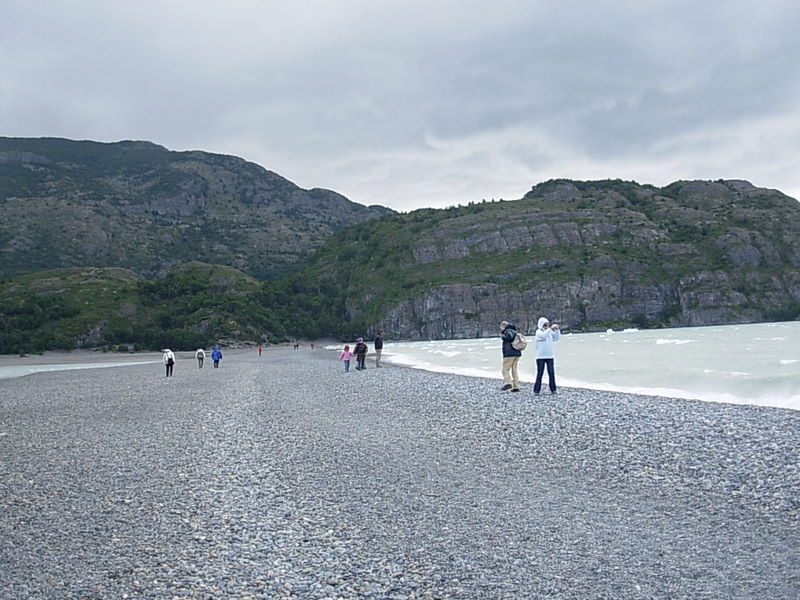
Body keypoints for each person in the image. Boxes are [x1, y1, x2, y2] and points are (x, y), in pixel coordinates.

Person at [533, 317, 561, 395]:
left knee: (551, 373)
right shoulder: (538, 332)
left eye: (547, 325)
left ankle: (553, 389)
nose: (546, 326)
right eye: (545, 325)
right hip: (540, 357)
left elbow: (556, 338)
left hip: (550, 356)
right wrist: (550, 329)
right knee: (540, 374)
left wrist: (557, 330)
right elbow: (543, 336)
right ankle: (536, 390)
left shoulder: (549, 332)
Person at [499, 321, 522, 392]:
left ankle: (508, 382)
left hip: (509, 354)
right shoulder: (515, 331)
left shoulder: (508, 331)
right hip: (517, 353)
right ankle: (516, 386)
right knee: (514, 370)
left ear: (503, 326)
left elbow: (509, 337)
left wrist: (502, 336)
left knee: (505, 369)